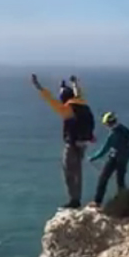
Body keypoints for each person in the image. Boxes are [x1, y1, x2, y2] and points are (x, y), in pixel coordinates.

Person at [31, 74, 96, 209]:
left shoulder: (67, 109)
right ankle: (77, 198)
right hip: (83, 143)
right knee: (78, 171)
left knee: (69, 172)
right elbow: (78, 93)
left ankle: (74, 200)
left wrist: (38, 86)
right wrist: (74, 83)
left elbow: (50, 99)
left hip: (72, 145)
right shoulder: (82, 103)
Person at [87, 112, 129, 208]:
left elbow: (104, 149)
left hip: (114, 158)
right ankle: (124, 201)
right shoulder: (126, 130)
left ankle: (97, 202)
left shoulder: (113, 134)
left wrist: (93, 158)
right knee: (120, 180)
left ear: (108, 123)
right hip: (124, 158)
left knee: (103, 179)